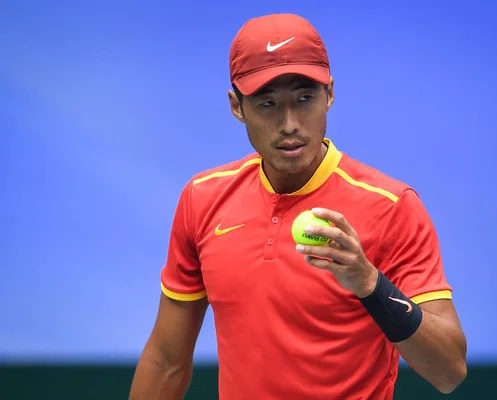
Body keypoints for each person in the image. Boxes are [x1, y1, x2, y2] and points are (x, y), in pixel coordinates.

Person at [130, 13, 467, 400]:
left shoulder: (393, 207)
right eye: (268, 103)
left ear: (330, 94)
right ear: (236, 106)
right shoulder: (203, 198)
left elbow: (450, 371)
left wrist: (369, 283)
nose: (289, 124)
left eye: (305, 99)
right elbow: (166, 362)